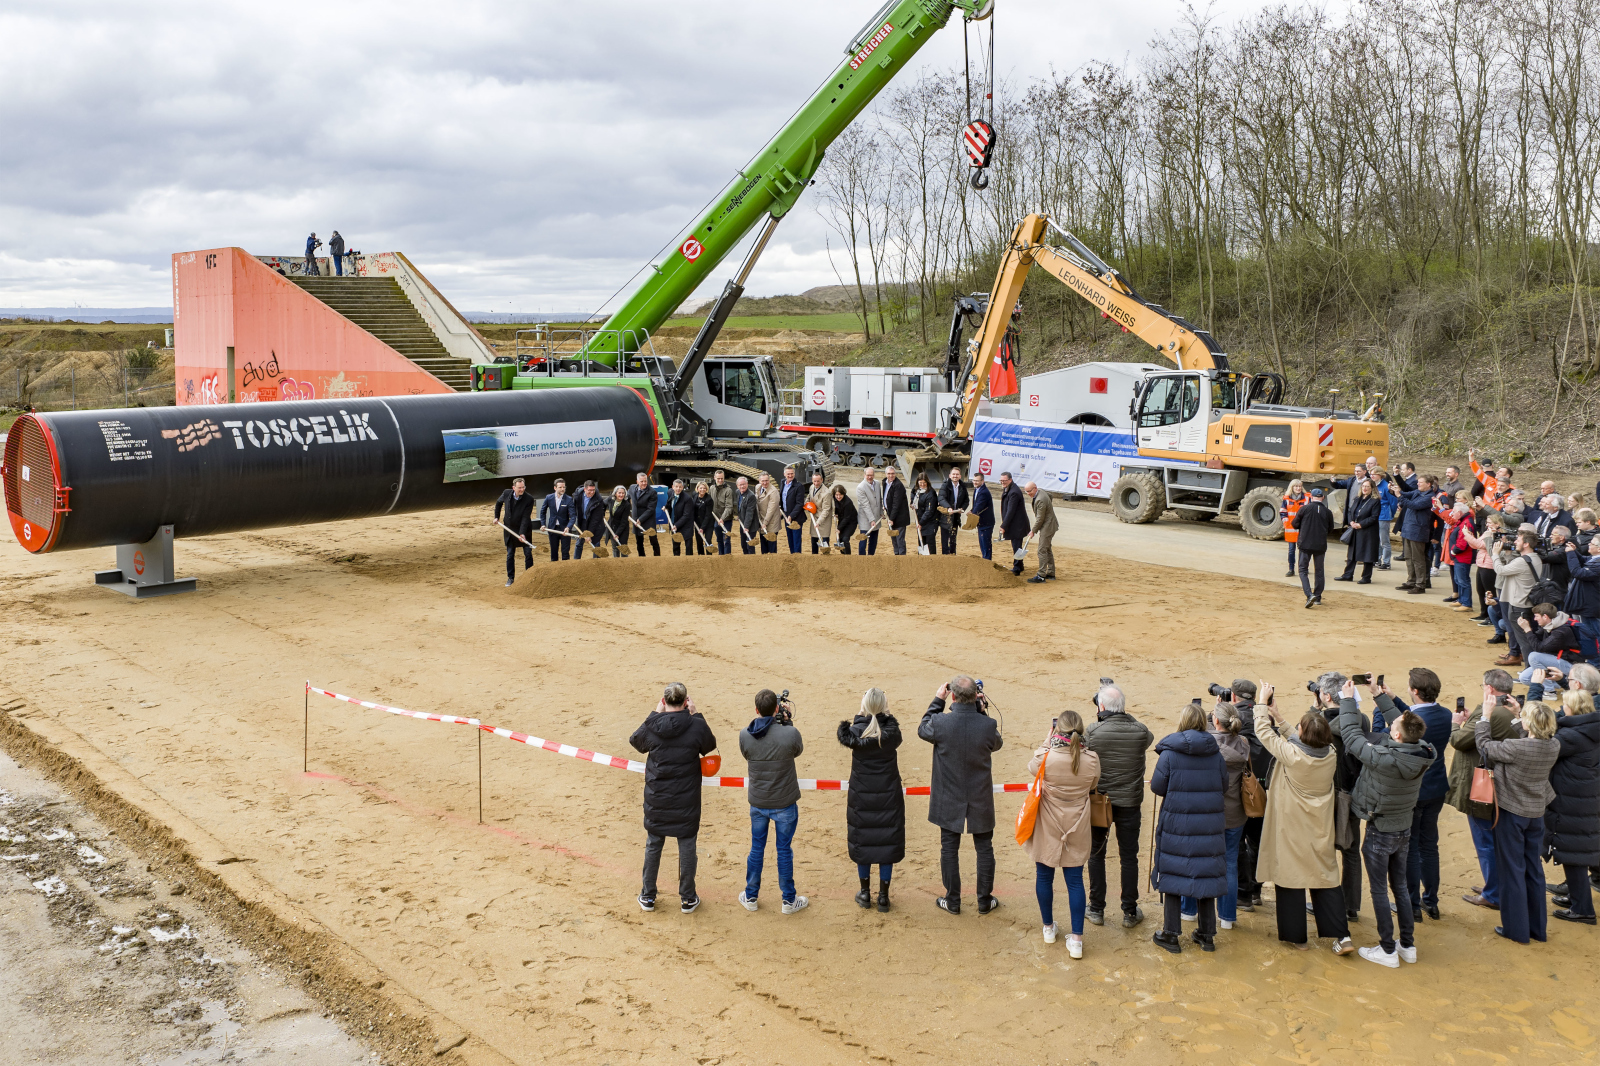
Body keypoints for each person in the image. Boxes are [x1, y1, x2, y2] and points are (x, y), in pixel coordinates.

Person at [1338, 681, 1435, 967]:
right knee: (1400, 887)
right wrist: (1378, 695)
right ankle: (1407, 944)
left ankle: (1387, 949)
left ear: (1396, 735)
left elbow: (1351, 736)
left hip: (1381, 830)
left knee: (1379, 889)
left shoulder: (1385, 758)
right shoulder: (1424, 750)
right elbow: (1402, 725)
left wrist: (1347, 701)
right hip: (1403, 827)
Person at [1254, 687, 1354, 954]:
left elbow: (1264, 734)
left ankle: (1296, 937)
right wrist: (1280, 717)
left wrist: (1262, 705)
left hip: (1292, 827)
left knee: (1290, 877)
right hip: (1319, 826)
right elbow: (1300, 738)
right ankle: (1342, 937)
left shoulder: (1293, 756)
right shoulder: (1330, 753)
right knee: (1325, 876)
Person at [1472, 697, 1559, 944]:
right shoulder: (1553, 745)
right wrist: (1518, 714)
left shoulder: (1515, 747)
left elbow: (1484, 745)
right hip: (1536, 814)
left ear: (1529, 724)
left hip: (1512, 814)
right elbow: (1531, 737)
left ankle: (1517, 930)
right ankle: (1537, 930)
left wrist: (1485, 717)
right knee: (1533, 870)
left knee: (1512, 871)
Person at [629, 683, 717, 913]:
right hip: (686, 801)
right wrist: (697, 714)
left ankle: (648, 895)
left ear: (664, 701)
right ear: (686, 701)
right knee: (687, 846)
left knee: (654, 845)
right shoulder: (695, 725)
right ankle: (688, 898)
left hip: (657, 799)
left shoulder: (653, 724)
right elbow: (710, 745)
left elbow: (636, 742)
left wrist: (654, 713)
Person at [919, 676, 1004, 915]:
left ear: (953, 696)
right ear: (975, 697)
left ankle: (953, 900)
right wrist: (983, 713)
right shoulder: (987, 725)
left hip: (948, 795)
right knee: (984, 847)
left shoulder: (940, 722)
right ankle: (984, 900)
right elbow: (996, 744)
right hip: (980, 796)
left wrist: (938, 700)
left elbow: (922, 728)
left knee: (949, 848)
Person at [1149, 702, 1229, 954]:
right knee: (1206, 873)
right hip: (1208, 823)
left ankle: (1171, 934)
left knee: (1173, 874)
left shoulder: (1170, 753)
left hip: (1177, 823)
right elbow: (1224, 785)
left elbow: (1157, 787)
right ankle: (1207, 935)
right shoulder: (1215, 753)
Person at [1374, 670, 1452, 922]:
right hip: (1437, 788)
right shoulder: (1446, 714)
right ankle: (1432, 902)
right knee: (1430, 846)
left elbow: (1392, 730)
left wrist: (1382, 703)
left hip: (1414, 792)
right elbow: (1415, 714)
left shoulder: (1411, 722)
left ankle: (1412, 905)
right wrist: (1394, 698)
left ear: (1415, 691)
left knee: (1411, 848)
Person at [1022, 710, 1100, 957]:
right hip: (1076, 825)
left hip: (1048, 824)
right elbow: (1094, 784)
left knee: (1044, 876)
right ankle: (1076, 939)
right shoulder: (1091, 759)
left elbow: (1031, 767)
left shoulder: (1047, 757)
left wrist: (1047, 741)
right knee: (1075, 881)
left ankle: (1048, 928)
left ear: (1058, 730)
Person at [1085, 684, 1153, 928]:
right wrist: (1123, 713)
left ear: (1101, 707)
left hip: (1100, 802)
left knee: (1096, 854)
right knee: (1129, 857)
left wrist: (1103, 716)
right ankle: (1130, 911)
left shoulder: (1093, 731)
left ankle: (1096, 909)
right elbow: (1146, 735)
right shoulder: (1140, 731)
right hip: (1130, 803)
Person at [1451, 670, 1518, 910]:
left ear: (1489, 689)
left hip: (1483, 787)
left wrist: (1457, 724)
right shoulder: (1512, 709)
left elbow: (1459, 741)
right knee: (1493, 839)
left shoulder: (1490, 712)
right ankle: (1495, 885)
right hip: (1502, 784)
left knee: (1485, 841)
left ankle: (1493, 893)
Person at [1180, 700, 1250, 930]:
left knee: (1195, 858)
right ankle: (1227, 917)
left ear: (1216, 721)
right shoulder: (1243, 744)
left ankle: (1189, 910)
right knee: (1229, 863)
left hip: (1206, 813)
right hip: (1234, 814)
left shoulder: (1206, 744)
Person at [738, 689, 807, 914]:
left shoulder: (745, 735)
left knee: (756, 848)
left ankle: (750, 896)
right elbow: (796, 750)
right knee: (784, 850)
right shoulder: (790, 733)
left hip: (758, 802)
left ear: (756, 710)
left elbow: (747, 754)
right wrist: (786, 724)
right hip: (785, 803)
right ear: (777, 709)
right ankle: (788, 900)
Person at [838, 689, 904, 912]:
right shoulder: (891, 732)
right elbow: (892, 731)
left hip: (861, 795)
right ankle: (883, 896)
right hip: (888, 795)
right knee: (886, 842)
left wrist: (861, 715)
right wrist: (885, 714)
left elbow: (859, 730)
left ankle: (865, 893)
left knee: (863, 841)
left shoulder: (856, 731)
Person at [1314, 673, 1366, 919]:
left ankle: (1324, 903)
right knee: (1351, 851)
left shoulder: (1320, 723)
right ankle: (1351, 906)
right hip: (1354, 792)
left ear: (1325, 696)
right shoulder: (1361, 719)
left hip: (1326, 794)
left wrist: (1314, 711)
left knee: (1322, 849)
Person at [1549, 690, 1599, 924]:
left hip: (1573, 801)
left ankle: (1583, 909)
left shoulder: (1570, 736)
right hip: (1586, 798)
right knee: (1576, 852)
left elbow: (1545, 747)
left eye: (1564, 704)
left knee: (1573, 854)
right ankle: (1576, 898)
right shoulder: (1591, 727)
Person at [1493, 530, 1548, 668]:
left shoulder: (1522, 561)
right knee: (1528, 638)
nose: (1515, 542)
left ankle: (1530, 671)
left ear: (1526, 544)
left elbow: (1501, 571)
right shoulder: (1535, 557)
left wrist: (1495, 555)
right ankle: (1531, 669)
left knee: (1524, 640)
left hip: (1519, 605)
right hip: (1528, 603)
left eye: (1518, 539)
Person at [1516, 602, 1583, 700]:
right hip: (1557, 662)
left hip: (1571, 665)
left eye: (1536, 616)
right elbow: (1536, 639)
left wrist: (1527, 630)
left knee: (1534, 656)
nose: (1534, 619)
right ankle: (1565, 683)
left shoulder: (1560, 631)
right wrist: (1527, 629)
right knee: (1524, 678)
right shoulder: (1549, 625)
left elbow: (1539, 648)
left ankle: (1549, 691)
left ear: (1545, 617)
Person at [1292, 487, 1335, 608]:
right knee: (1319, 571)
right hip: (1320, 545)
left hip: (1305, 544)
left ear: (1311, 497)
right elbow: (1330, 529)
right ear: (1322, 497)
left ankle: (1309, 594)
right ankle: (1318, 596)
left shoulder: (1304, 508)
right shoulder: (1327, 512)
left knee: (1303, 570)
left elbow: (1294, 524)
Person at [1397, 474, 1440, 593]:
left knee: (1418, 559)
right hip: (1408, 529)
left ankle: (1420, 584)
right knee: (1409, 557)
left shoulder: (1429, 497)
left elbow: (1414, 505)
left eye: (1420, 482)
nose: (1418, 484)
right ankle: (1411, 581)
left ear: (1428, 484)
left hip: (1418, 531)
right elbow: (1405, 495)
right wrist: (1395, 490)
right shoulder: (1418, 492)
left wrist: (1399, 496)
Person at [492, 476, 535, 586]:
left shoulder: (529, 499)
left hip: (524, 529)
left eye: (523, 487)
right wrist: (496, 517)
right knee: (510, 554)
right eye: (519, 488)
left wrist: (522, 533)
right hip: (509, 529)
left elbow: (526, 518)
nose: (522, 490)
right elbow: (498, 503)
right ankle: (510, 578)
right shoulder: (506, 493)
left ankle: (529, 577)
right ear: (513, 487)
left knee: (528, 553)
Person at [1563, 534, 1600, 662]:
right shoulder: (1596, 559)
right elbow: (1585, 560)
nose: (1589, 544)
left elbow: (1578, 572)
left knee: (1593, 634)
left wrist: (1570, 554)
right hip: (1589, 604)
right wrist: (1575, 552)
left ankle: (1595, 662)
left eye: (1592, 543)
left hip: (1592, 606)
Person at [1336, 478, 1380, 583]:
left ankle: (1366, 577)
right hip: (1355, 529)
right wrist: (1351, 522)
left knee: (1367, 554)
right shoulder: (1357, 498)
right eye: (1363, 486)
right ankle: (1348, 575)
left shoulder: (1375, 501)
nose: (1364, 488)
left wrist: (1360, 524)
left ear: (1372, 488)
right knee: (1352, 553)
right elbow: (1351, 511)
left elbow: (1374, 517)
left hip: (1368, 531)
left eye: (1367, 486)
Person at [1444, 503, 1477, 611]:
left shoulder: (1466, 523)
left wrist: (1454, 551)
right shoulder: (1464, 521)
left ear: (1459, 513)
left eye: (1454, 512)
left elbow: (1463, 542)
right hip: (1460, 556)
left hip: (1463, 556)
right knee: (1459, 579)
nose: (1452, 513)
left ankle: (1466, 603)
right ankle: (1462, 600)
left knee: (1463, 580)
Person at [1025, 481, 1059, 584]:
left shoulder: (1040, 500)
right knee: (1047, 549)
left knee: (1042, 550)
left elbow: (1040, 519)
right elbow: (1050, 496)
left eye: (1029, 491)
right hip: (1049, 524)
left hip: (1048, 526)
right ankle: (1051, 572)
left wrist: (1033, 531)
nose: (1028, 494)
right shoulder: (1041, 492)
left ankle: (1041, 575)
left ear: (1035, 488)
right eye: (1026, 492)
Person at [1000, 472, 1030, 577]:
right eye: (1001, 480)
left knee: (1017, 547)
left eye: (1004, 480)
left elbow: (1010, 511)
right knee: (1016, 546)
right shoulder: (1009, 488)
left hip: (1018, 525)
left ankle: (1017, 568)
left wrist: (1004, 526)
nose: (1002, 482)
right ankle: (1020, 565)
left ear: (1010, 480)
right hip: (1016, 524)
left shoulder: (1014, 492)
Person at [540, 478, 576, 562]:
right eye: (560, 487)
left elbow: (573, 516)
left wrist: (568, 527)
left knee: (565, 553)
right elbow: (542, 512)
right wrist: (543, 524)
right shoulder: (549, 498)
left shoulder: (569, 499)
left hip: (565, 529)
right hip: (552, 528)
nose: (562, 489)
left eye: (564, 487)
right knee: (554, 552)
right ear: (555, 488)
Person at [628, 472, 661, 557]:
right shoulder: (632, 488)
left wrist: (641, 519)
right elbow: (626, 498)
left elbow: (651, 509)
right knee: (639, 541)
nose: (644, 483)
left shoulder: (652, 492)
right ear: (637, 482)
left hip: (648, 519)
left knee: (653, 540)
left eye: (645, 481)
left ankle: (657, 558)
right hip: (636, 519)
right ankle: (641, 558)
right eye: (642, 481)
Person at [938, 466, 969, 555]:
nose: (955, 476)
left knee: (953, 540)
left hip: (956, 517)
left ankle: (953, 556)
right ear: (950, 475)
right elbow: (941, 498)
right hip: (945, 517)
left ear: (960, 476)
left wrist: (962, 508)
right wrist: (948, 508)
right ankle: (945, 558)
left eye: (957, 474)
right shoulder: (945, 485)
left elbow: (966, 500)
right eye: (953, 474)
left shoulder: (962, 486)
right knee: (945, 541)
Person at [573, 480, 607, 559]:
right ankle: (576, 562)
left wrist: (589, 534)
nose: (592, 492)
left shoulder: (598, 500)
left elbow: (595, 519)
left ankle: (597, 563)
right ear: (585, 489)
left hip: (596, 524)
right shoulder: (578, 495)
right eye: (589, 490)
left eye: (593, 490)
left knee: (596, 543)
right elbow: (573, 506)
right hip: (583, 522)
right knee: (579, 542)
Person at [1281, 480, 1308, 577]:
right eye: (1296, 486)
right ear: (1292, 487)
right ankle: (1291, 569)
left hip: (1303, 529)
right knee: (1291, 550)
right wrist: (1286, 523)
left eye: (1300, 486)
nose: (1298, 488)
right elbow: (1283, 512)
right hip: (1291, 529)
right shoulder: (1286, 499)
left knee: (1304, 551)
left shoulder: (1307, 498)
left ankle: (1304, 569)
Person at [855, 468, 884, 556]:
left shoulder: (877, 483)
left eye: (871, 475)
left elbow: (879, 499)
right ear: (864, 475)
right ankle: (862, 559)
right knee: (863, 539)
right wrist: (871, 520)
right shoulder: (860, 487)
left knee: (873, 541)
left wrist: (881, 512)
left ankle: (871, 557)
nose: (870, 477)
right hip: (865, 518)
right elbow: (865, 505)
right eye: (868, 475)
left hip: (876, 517)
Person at [883, 466, 911, 555]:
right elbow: (886, 497)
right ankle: (896, 556)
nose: (891, 475)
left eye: (893, 473)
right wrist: (885, 507)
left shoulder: (898, 485)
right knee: (894, 539)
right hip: (891, 515)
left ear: (895, 474)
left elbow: (896, 504)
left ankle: (901, 558)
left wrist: (891, 519)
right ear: (886, 474)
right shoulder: (885, 482)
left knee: (899, 540)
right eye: (889, 473)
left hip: (899, 517)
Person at [1374, 470, 1398, 570]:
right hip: (1376, 515)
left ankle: (1386, 562)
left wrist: (1390, 514)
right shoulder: (1374, 485)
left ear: (1380, 475)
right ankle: (1377, 560)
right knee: (1377, 540)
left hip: (1383, 516)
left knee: (1384, 541)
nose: (1371, 476)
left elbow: (1393, 502)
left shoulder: (1385, 486)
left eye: (1374, 474)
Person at [780, 466, 806, 553]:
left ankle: (797, 557)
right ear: (784, 474)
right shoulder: (782, 482)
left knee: (796, 540)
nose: (790, 475)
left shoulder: (799, 486)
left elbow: (799, 503)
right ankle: (792, 555)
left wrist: (791, 515)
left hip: (796, 518)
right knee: (790, 538)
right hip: (786, 515)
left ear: (794, 474)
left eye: (792, 474)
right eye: (788, 474)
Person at [806, 469, 834, 553]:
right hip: (814, 516)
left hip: (823, 520)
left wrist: (819, 522)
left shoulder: (827, 493)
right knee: (814, 540)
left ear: (822, 480)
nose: (816, 483)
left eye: (818, 481)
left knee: (824, 540)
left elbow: (826, 510)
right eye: (814, 481)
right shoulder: (811, 487)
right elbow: (809, 497)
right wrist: (806, 504)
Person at [912, 473, 940, 554]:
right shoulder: (917, 489)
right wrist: (912, 502)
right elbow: (912, 494)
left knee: (929, 544)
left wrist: (921, 523)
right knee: (921, 542)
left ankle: (931, 560)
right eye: (920, 483)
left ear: (927, 482)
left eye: (924, 483)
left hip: (930, 522)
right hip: (920, 520)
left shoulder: (931, 493)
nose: (922, 485)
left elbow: (929, 511)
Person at [757, 472, 783, 554]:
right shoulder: (758, 487)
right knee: (763, 545)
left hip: (771, 522)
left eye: (767, 480)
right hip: (761, 520)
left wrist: (765, 522)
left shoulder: (773, 492)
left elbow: (771, 509)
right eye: (763, 481)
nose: (765, 483)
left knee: (771, 546)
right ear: (759, 481)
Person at [971, 472, 995, 561]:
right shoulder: (977, 489)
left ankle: (987, 562)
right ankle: (985, 560)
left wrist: (972, 513)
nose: (975, 482)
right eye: (974, 480)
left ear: (982, 481)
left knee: (986, 545)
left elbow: (979, 506)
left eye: (977, 481)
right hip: (981, 523)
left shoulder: (984, 492)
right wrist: (971, 510)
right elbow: (976, 504)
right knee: (983, 545)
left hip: (986, 523)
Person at [711, 470, 736, 555]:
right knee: (719, 540)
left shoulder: (728, 490)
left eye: (722, 478)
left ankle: (727, 558)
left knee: (726, 540)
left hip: (726, 520)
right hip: (716, 519)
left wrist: (722, 518)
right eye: (718, 478)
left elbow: (729, 507)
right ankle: (721, 557)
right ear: (715, 478)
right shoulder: (711, 488)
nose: (720, 480)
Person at [667, 479, 694, 556]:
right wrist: (666, 507)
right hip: (674, 523)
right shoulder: (670, 493)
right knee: (676, 546)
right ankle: (677, 562)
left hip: (686, 525)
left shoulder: (687, 499)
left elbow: (686, 515)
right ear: (673, 487)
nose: (678, 489)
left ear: (682, 487)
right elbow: (669, 503)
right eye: (676, 487)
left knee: (688, 546)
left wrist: (676, 525)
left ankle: (689, 562)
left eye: (680, 487)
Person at [735, 475, 759, 555]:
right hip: (742, 523)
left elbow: (750, 512)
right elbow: (739, 506)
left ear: (747, 484)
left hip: (750, 525)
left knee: (750, 545)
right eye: (740, 485)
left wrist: (746, 527)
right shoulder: (738, 492)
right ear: (737, 485)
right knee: (743, 544)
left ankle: (752, 562)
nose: (742, 486)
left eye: (744, 484)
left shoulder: (751, 496)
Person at [691, 480, 716, 555]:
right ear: (697, 488)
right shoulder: (695, 496)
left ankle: (709, 557)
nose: (702, 490)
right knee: (699, 542)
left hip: (708, 524)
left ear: (706, 489)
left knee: (708, 540)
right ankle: (701, 556)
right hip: (697, 523)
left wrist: (702, 528)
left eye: (704, 488)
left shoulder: (709, 499)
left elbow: (708, 515)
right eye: (701, 488)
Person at [604, 485, 631, 557]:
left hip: (622, 528)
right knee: (615, 548)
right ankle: (617, 565)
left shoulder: (627, 505)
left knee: (623, 548)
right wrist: (602, 513)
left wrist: (618, 533)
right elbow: (602, 504)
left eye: (623, 493)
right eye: (619, 493)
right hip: (612, 527)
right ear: (615, 493)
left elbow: (624, 521)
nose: (621, 495)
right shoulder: (610, 499)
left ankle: (625, 565)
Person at [831, 484, 858, 555]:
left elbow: (847, 518)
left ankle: (848, 556)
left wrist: (839, 528)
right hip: (842, 520)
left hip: (851, 522)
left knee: (845, 539)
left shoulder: (848, 503)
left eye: (840, 495)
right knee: (840, 540)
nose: (838, 497)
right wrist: (835, 513)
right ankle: (843, 554)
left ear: (843, 494)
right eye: (836, 495)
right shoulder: (834, 499)